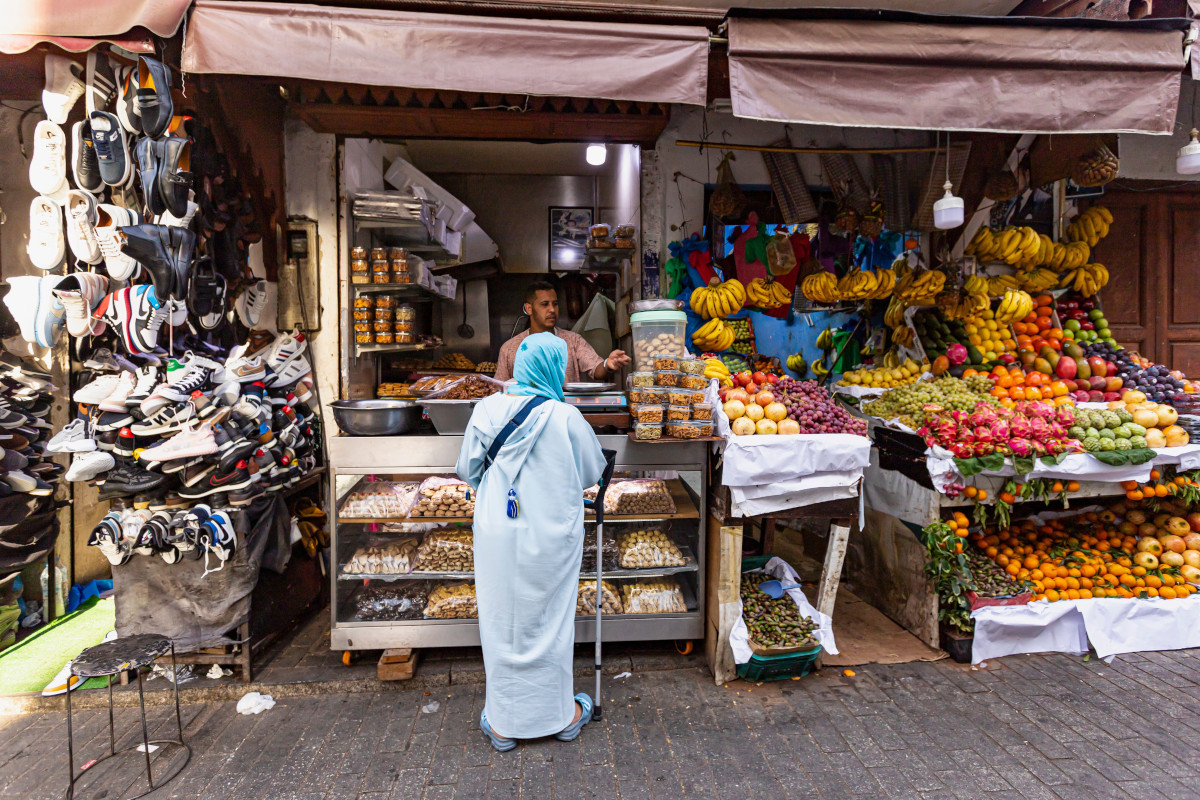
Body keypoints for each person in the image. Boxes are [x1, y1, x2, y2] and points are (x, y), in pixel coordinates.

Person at [457, 333, 607, 750]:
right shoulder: (566, 417)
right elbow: (592, 473)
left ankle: (505, 724)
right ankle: (560, 716)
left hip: (499, 533)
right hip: (554, 533)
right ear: (554, 369)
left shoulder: (486, 410)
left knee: (501, 618)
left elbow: (467, 468)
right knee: (552, 621)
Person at [494, 281, 630, 383]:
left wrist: (608, 364)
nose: (552, 309)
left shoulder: (573, 340)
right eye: (545, 304)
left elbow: (596, 369)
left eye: (555, 304)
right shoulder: (510, 348)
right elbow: (498, 390)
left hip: (564, 413)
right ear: (529, 308)